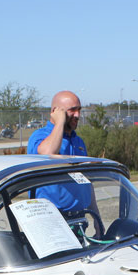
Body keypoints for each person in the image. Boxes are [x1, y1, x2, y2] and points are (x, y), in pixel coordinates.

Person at [26, 90, 99, 227]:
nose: (77, 115)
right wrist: (59, 122)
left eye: (79, 110)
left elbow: (86, 180)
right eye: (72, 110)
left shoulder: (78, 142)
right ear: (55, 111)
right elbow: (47, 153)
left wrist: (97, 217)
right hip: (51, 220)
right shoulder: (40, 136)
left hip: (79, 218)